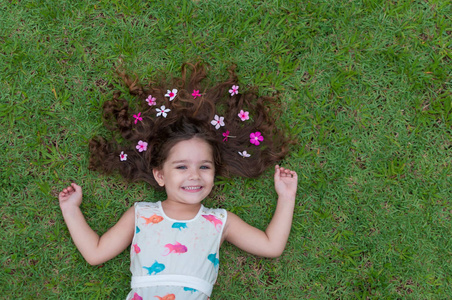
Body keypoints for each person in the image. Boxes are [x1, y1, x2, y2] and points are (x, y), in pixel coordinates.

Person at [58, 63, 298, 299]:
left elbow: (271, 246)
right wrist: (71, 210)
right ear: (160, 175)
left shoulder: (221, 222)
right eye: (181, 166)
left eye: (204, 166)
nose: (194, 175)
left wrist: (286, 197)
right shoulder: (140, 215)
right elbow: (95, 253)